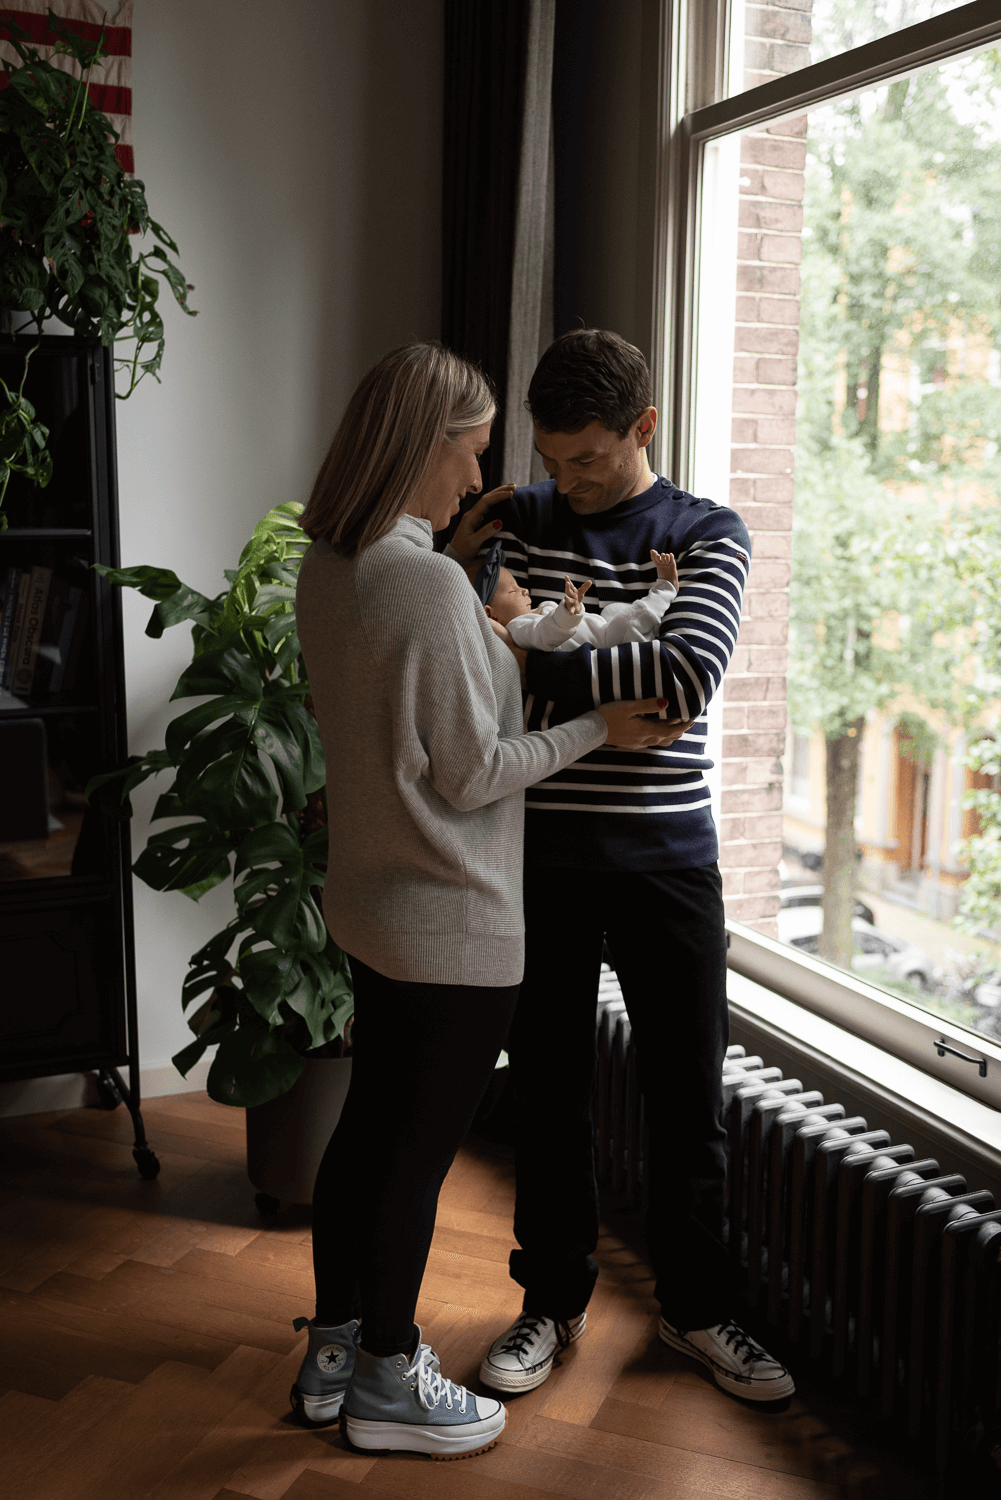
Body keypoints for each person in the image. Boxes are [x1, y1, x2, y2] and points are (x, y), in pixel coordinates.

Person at [291, 340, 680, 1460]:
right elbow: (468, 771)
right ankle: (386, 1381)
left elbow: (404, 717)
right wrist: (592, 729)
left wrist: (481, 609)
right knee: (414, 1156)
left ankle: (333, 1353)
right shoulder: (418, 582)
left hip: (368, 898)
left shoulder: (336, 561)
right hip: (449, 918)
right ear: (423, 445)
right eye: (466, 452)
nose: (475, 480)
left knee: (367, 1135)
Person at [447, 328, 796, 1405]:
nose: (566, 482)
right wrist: (526, 647)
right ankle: (547, 1307)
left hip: (667, 860)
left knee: (685, 1098)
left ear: (642, 428)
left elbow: (686, 674)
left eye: (587, 459)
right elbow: (471, 683)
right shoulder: (512, 518)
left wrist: (531, 643)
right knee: (546, 1095)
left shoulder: (707, 533)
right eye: (552, 458)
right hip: (538, 857)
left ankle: (695, 1314)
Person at [470, 536, 679, 651]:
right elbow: (546, 634)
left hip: (604, 631)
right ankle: (665, 589)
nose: (524, 590)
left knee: (613, 610)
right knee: (628, 622)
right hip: (607, 646)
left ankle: (652, 630)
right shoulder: (517, 630)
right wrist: (566, 612)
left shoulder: (530, 616)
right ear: (490, 615)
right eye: (513, 591)